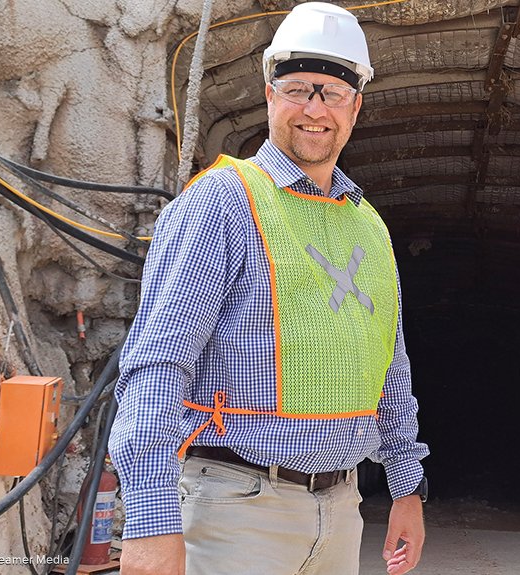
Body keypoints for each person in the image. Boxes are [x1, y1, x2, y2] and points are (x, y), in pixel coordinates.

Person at [109, 4, 428, 574]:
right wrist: (151, 523)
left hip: (342, 508)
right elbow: (156, 365)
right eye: (297, 89)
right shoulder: (222, 202)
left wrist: (406, 487)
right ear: (269, 93)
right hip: (235, 509)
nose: (314, 109)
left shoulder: (368, 225)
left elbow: (390, 368)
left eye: (333, 93)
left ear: (355, 106)